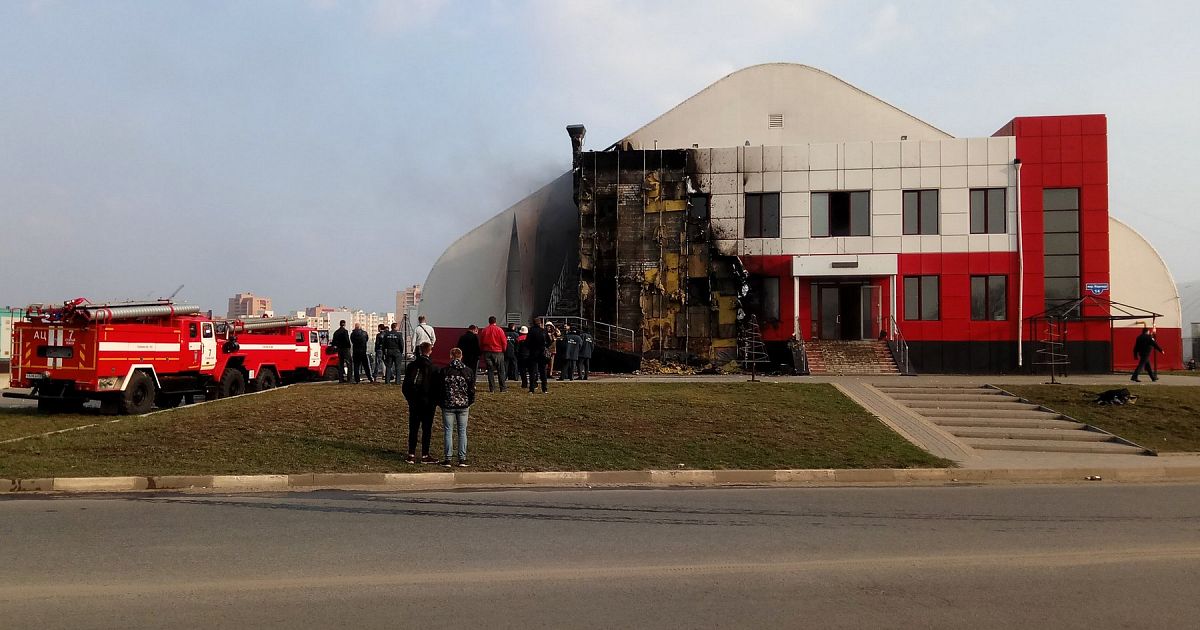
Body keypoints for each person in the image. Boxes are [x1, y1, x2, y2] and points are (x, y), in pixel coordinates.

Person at [402, 341, 439, 464]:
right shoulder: (433, 368)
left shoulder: (412, 366)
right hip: (428, 402)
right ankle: (425, 454)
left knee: (413, 428)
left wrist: (410, 399)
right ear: (430, 351)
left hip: (414, 402)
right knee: (426, 429)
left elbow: (406, 386)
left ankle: (411, 454)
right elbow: (436, 387)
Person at [438, 347, 475, 467]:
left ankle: (448, 458)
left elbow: (440, 388)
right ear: (461, 356)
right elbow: (471, 389)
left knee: (448, 431)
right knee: (462, 431)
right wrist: (470, 401)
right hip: (464, 405)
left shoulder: (445, 371)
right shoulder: (468, 371)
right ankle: (462, 459)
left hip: (448, 404)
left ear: (450, 356)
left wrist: (441, 402)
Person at [479, 315, 509, 393]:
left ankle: (492, 388)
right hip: (498, 352)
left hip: (487, 352)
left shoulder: (484, 330)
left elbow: (481, 342)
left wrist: (483, 350)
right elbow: (504, 341)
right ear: (495, 321)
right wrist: (503, 350)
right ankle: (502, 388)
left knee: (490, 370)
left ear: (489, 321)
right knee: (501, 370)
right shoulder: (499, 330)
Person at [525, 317, 550, 394]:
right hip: (542, 353)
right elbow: (549, 342)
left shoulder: (531, 331)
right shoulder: (544, 331)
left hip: (533, 353)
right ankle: (544, 388)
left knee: (532, 372)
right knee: (543, 372)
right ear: (540, 323)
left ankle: (532, 388)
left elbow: (527, 343)